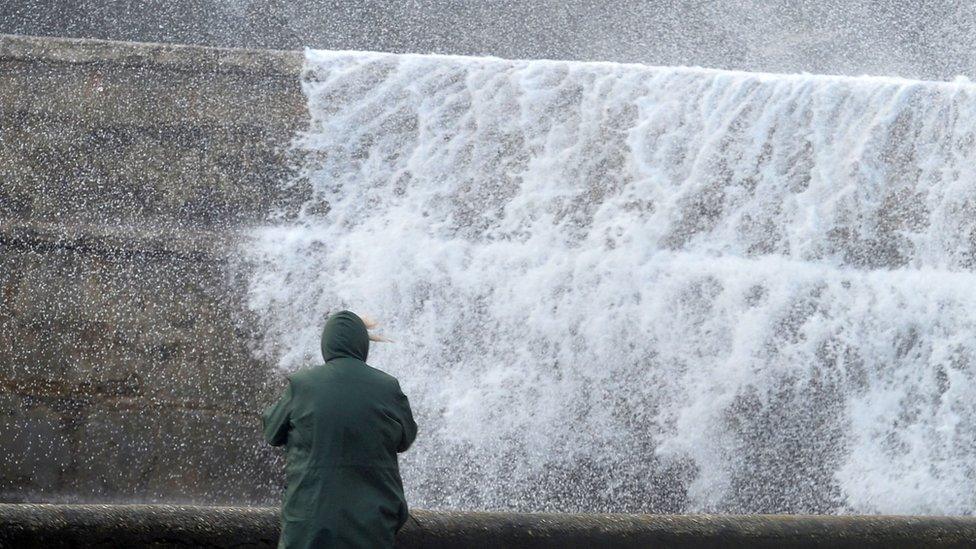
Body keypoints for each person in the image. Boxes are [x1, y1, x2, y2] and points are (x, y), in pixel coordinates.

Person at [262, 310, 418, 549]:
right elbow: (406, 438)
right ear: (362, 345)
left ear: (326, 343)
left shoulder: (302, 385)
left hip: (308, 522)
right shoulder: (388, 387)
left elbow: (272, 432)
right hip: (372, 524)